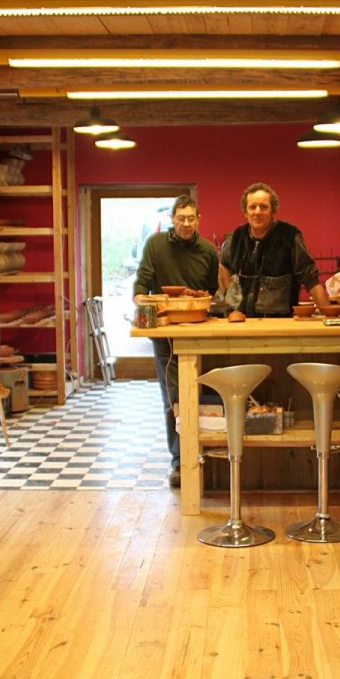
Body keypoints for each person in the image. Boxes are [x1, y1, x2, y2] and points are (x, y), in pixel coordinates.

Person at [133, 195, 219, 487]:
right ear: (172, 218)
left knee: (205, 393)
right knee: (173, 398)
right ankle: (180, 462)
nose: (186, 223)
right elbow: (142, 284)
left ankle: (208, 456)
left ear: (199, 219)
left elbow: (212, 290)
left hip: (201, 330)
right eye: (181, 218)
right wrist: (144, 302)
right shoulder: (155, 245)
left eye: (191, 218)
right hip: (167, 332)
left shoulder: (207, 250)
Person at [219, 182, 330, 317]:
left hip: (280, 322)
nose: (257, 212)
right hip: (243, 321)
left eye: (264, 207)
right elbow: (224, 266)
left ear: (273, 211)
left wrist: (328, 313)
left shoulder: (290, 236)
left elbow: (310, 276)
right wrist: (232, 307)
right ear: (245, 212)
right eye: (252, 207)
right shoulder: (237, 237)